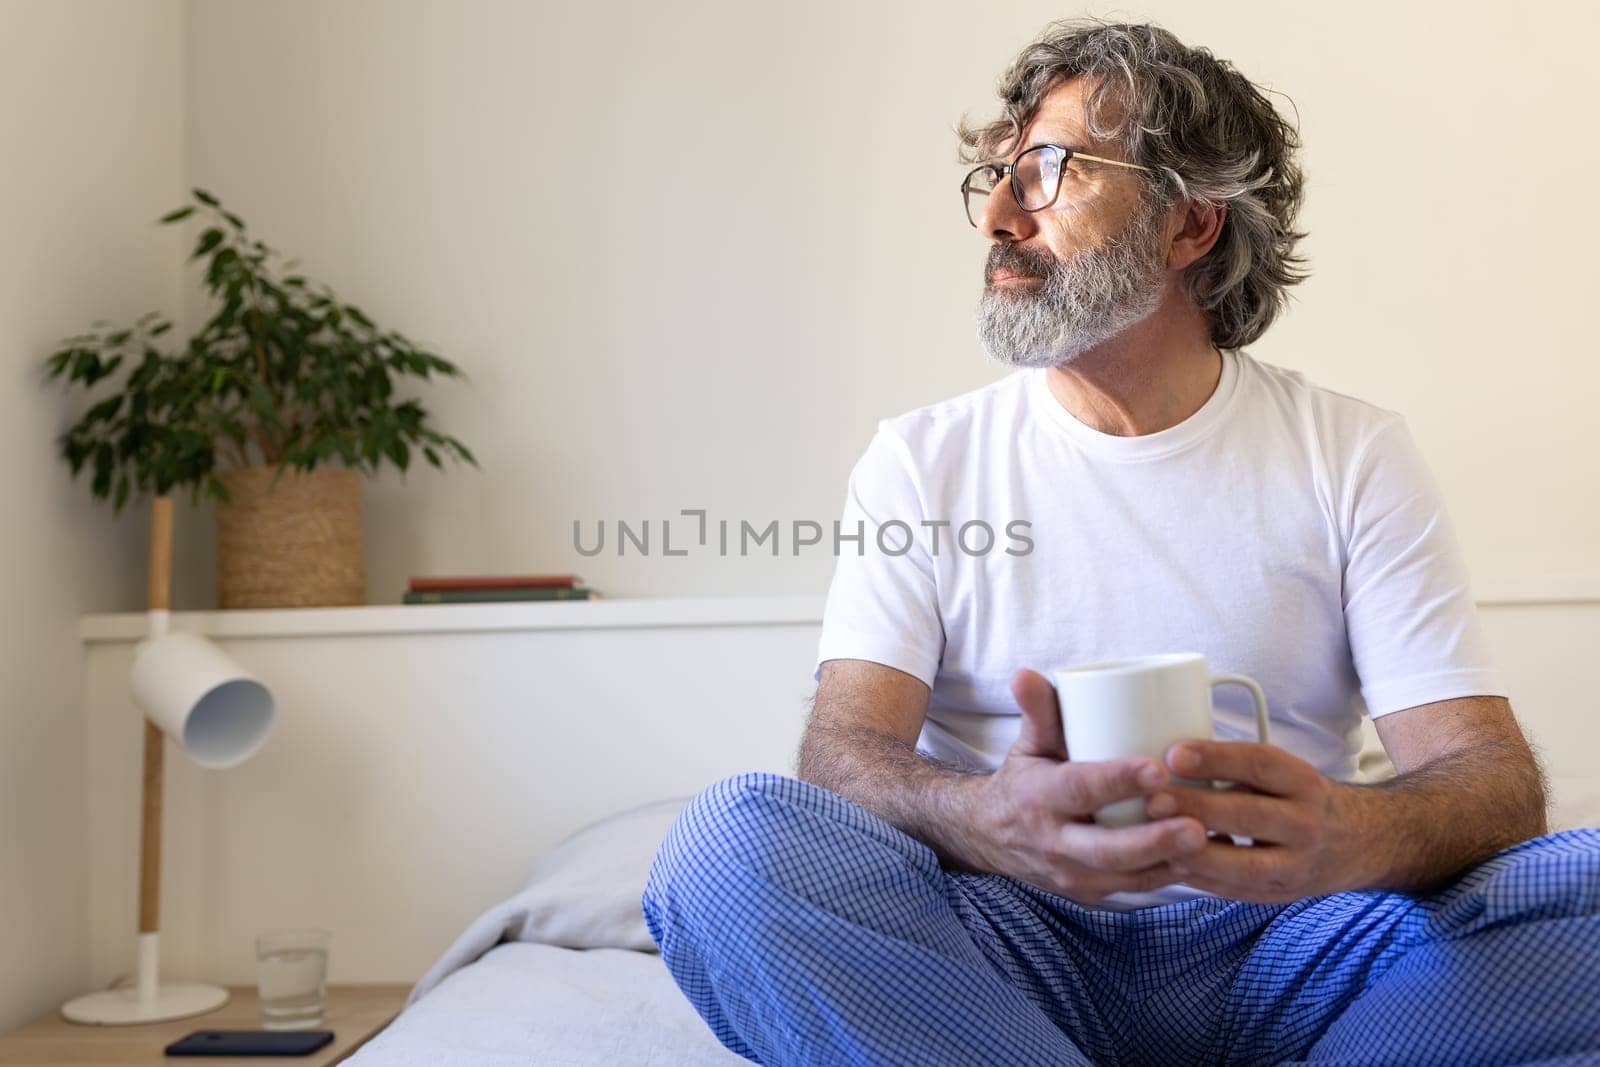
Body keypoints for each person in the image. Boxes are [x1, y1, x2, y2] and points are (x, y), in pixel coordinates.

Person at [642, 18, 1600, 1065]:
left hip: (1291, 941)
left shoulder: (1349, 452)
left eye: (1050, 171)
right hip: (1010, 939)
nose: (999, 216)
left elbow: (1487, 778)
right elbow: (839, 759)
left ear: (1188, 226)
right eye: (995, 176)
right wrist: (985, 817)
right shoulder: (921, 461)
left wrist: (1350, 832)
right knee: (727, 845)